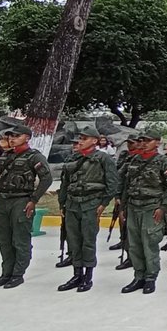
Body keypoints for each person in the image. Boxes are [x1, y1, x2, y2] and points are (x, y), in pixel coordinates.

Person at [57, 125, 121, 293]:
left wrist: (103, 204)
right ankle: (76, 274)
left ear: (94, 141)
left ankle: (88, 275)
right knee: (74, 241)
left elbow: (113, 183)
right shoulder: (73, 158)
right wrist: (62, 203)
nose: (81, 141)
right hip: (72, 204)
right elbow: (65, 183)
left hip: (90, 204)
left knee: (88, 241)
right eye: (80, 138)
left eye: (85, 138)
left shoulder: (103, 159)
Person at [0, 124, 52, 289]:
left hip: (21, 200)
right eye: (10, 136)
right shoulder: (5, 156)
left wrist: (34, 200)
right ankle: (6, 273)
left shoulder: (34, 157)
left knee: (20, 239)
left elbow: (47, 179)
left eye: (16, 136)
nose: (12, 139)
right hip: (2, 200)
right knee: (4, 239)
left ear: (27, 138)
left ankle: (18, 274)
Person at [119, 127, 167, 294]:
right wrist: (123, 206)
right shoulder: (134, 160)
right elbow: (126, 184)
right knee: (134, 244)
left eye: (147, 141)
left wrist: (163, 206)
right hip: (133, 206)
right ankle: (139, 276)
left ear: (157, 143)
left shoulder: (164, 162)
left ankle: (151, 277)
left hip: (151, 208)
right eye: (141, 141)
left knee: (149, 244)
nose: (143, 144)